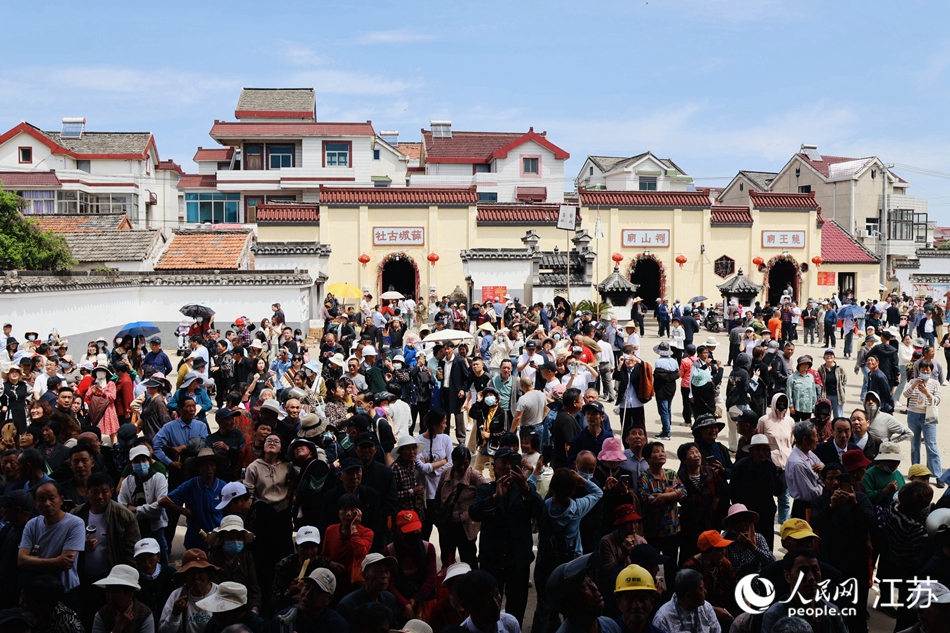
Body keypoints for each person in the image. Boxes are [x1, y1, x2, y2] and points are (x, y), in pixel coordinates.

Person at [468, 446, 543, 626]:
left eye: (512, 462)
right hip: (492, 560)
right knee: (489, 606)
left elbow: (540, 510)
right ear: (495, 466)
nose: (508, 467)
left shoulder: (525, 490)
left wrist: (525, 488)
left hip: (518, 561)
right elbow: (474, 513)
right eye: (503, 462)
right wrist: (494, 497)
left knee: (517, 606)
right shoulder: (486, 490)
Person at [534, 468, 605, 632]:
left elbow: (530, 489)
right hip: (572, 565)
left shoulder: (545, 506)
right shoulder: (577, 508)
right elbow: (598, 493)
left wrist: (534, 474)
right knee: (573, 606)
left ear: (552, 486)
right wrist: (582, 480)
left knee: (543, 608)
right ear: (573, 489)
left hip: (546, 563)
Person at [809, 461, 875, 633]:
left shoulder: (861, 498)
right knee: (831, 607)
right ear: (824, 481)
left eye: (839, 478)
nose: (835, 482)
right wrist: (831, 507)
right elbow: (815, 522)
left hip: (856, 563)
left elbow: (870, 523)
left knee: (857, 609)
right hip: (830, 563)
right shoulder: (820, 501)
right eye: (830, 478)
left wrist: (854, 506)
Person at [17, 480, 85, 595]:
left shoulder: (75, 523)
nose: (47, 504)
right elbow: (22, 560)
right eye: (42, 500)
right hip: (36, 590)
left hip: (65, 589)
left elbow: (65, 563)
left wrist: (34, 563)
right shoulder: (32, 524)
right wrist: (55, 561)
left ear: (61, 500)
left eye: (52, 498)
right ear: (35, 504)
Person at [760, 548, 848, 633]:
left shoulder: (832, 612)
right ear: (787, 576)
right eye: (803, 571)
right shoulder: (774, 615)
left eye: (815, 570)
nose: (811, 578)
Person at [159, 447, 227, 551]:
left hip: (217, 541)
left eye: (211, 465)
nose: (209, 468)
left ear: (216, 467)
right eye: (205, 465)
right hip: (195, 540)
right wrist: (185, 511)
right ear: (199, 468)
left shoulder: (223, 487)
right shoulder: (190, 485)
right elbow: (163, 501)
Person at [637, 441, 685, 586]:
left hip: (672, 530)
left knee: (672, 565)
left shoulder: (671, 473)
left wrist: (663, 496)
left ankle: (672, 593)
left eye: (662, 450)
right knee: (651, 565)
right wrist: (670, 495)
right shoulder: (644, 477)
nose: (661, 453)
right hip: (653, 530)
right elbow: (646, 499)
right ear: (648, 458)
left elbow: (682, 492)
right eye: (656, 451)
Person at [435, 445, 487, 567]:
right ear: (453, 461)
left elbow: (487, 492)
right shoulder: (445, 473)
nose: (462, 467)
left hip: (466, 527)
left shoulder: (475, 476)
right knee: (447, 559)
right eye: (459, 463)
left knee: (468, 559)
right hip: (447, 526)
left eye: (466, 463)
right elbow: (437, 497)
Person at [118, 445, 169, 564]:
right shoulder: (127, 481)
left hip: (156, 528)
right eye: (137, 461)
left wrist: (134, 509)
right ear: (131, 464)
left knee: (161, 560)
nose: (141, 464)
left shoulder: (159, 478)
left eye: (144, 460)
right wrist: (149, 507)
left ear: (149, 461)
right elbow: (122, 507)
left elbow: (159, 508)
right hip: (135, 529)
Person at [676, 441, 724, 564]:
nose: (696, 455)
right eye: (691, 453)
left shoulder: (709, 471)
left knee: (710, 554)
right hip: (690, 523)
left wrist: (716, 499)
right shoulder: (680, 477)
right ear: (684, 460)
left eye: (697, 452)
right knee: (689, 555)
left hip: (710, 521)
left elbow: (720, 485)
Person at [730, 434, 782, 549]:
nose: (761, 453)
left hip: (766, 515)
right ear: (751, 451)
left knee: (766, 545)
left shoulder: (771, 467)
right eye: (758, 449)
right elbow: (733, 491)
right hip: (746, 515)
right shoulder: (741, 467)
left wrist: (780, 479)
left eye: (764, 450)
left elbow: (777, 491)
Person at [205, 515, 262, 614]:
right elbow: (213, 591)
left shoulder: (247, 557)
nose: (236, 541)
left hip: (245, 608)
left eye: (239, 537)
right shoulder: (213, 559)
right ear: (222, 540)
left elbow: (254, 587)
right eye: (231, 537)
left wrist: (254, 609)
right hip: (220, 610)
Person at [681, 531, 737, 629]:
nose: (724, 552)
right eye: (719, 550)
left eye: (724, 548)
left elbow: (734, 586)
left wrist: (743, 598)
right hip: (699, 616)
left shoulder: (725, 564)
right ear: (706, 553)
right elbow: (687, 602)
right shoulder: (690, 569)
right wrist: (713, 610)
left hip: (726, 613)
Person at [158, 548, 220, 633]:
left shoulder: (219, 593)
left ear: (208, 573)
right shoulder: (177, 595)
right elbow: (163, 631)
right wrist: (175, 614)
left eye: (200, 572)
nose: (196, 577)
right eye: (191, 573)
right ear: (184, 576)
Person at [272, 567, 349, 633]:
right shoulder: (282, 620)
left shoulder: (338, 627)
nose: (307, 594)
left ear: (329, 598)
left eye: (316, 591)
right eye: (307, 587)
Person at [757, 393, 794, 524]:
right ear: (773, 403)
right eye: (779, 401)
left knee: (785, 496)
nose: (781, 404)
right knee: (766, 495)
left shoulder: (790, 421)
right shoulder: (764, 420)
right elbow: (759, 438)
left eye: (784, 401)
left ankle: (783, 523)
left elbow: (791, 441)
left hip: (786, 464)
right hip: (769, 464)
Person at [335, 552, 398, 627]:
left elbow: (394, 627)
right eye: (378, 571)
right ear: (365, 575)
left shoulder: (390, 599)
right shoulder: (348, 604)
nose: (384, 576)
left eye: (387, 571)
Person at [904, 358, 942, 481]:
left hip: (929, 415)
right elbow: (905, 395)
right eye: (923, 368)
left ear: (931, 371)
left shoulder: (935, 384)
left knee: (931, 445)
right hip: (913, 415)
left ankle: (937, 474)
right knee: (914, 444)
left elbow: (937, 401)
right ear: (919, 370)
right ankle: (916, 472)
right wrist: (915, 385)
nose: (925, 371)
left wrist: (927, 393)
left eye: (927, 369)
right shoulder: (913, 381)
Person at [90, 564, 155, 633]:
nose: (110, 596)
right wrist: (118, 628)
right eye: (108, 591)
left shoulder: (144, 614)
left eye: (115, 592)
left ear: (131, 593)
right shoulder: (102, 614)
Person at [653, 568, 720, 633]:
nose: (705, 592)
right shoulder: (663, 619)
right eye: (701, 589)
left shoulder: (706, 608)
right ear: (689, 596)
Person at [457, 569, 522, 633]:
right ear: (467, 606)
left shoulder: (510, 624)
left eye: (496, 595)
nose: (496, 604)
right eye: (486, 600)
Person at [18, 574, 84, 633]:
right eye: (21, 596)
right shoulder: (28, 613)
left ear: (44, 605)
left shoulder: (65, 624)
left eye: (27, 602)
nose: (20, 603)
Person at [132, 538, 175, 627]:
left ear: (158, 557)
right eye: (142, 558)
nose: (146, 562)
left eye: (150, 556)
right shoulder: (133, 578)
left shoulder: (170, 574)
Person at [784, 421, 823, 519]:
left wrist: (822, 473)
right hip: (804, 509)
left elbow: (823, 468)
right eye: (815, 436)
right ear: (805, 439)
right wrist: (823, 484)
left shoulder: (809, 454)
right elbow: (810, 494)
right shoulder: (797, 463)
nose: (817, 439)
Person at [614, 349, 652, 438]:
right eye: (627, 359)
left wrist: (638, 360)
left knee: (640, 427)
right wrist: (620, 364)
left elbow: (647, 368)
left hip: (637, 402)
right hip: (625, 403)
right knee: (625, 428)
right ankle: (627, 447)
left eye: (632, 360)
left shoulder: (639, 369)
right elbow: (616, 376)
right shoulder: (622, 369)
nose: (629, 361)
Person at [862, 441, 906, 505]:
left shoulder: (899, 475)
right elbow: (865, 497)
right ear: (883, 460)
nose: (896, 464)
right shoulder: (870, 474)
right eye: (892, 461)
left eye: (897, 461)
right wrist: (885, 491)